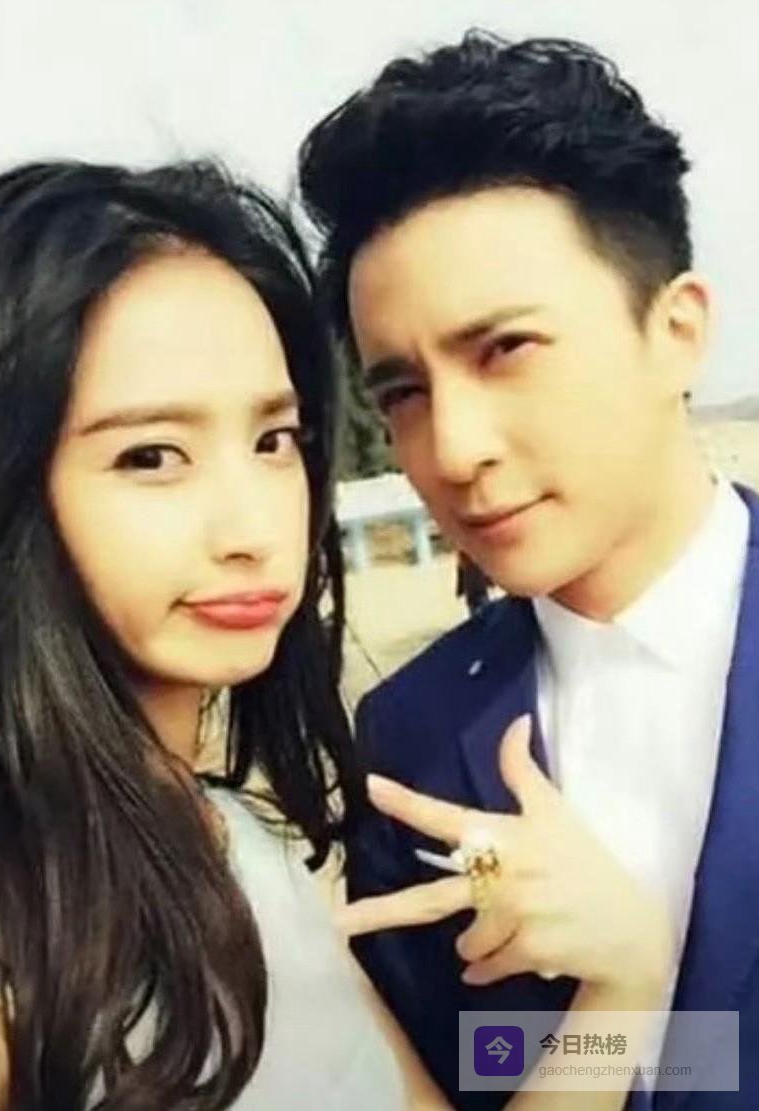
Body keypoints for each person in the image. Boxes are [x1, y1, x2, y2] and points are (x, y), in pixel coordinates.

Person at [0, 158, 674, 1111]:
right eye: (152, 454)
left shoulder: (245, 847)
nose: (253, 528)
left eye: (273, 440)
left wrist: (625, 986)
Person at [299, 28, 759, 1111]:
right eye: (402, 392)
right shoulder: (413, 739)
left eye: (504, 349)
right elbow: (479, 1061)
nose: (453, 450)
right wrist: (621, 1000)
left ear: (675, 331)